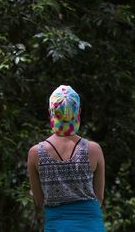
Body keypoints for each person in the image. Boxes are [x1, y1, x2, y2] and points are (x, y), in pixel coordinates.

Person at [27, 85, 106, 232]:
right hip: (91, 226)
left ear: (51, 112)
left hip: (56, 226)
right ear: (78, 112)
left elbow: (39, 201)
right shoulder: (94, 150)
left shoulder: (35, 153)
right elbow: (99, 197)